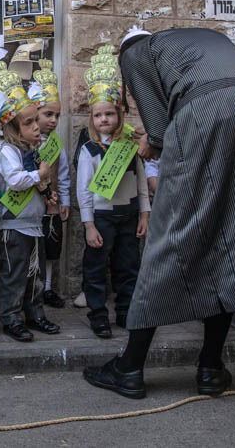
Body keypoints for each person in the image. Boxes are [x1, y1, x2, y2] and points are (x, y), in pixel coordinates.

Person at [84, 27, 235, 400]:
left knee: (170, 237)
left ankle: (129, 367)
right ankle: (211, 368)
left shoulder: (136, 51)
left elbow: (159, 128)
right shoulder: (194, 40)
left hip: (209, 114)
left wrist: (152, 144)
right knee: (233, 232)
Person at [75, 47, 149, 339]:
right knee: (95, 268)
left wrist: (145, 213)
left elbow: (141, 182)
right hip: (102, 217)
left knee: (127, 266)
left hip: (128, 215)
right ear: (92, 119)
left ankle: (125, 311)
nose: (103, 119)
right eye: (98, 115)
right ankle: (98, 315)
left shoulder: (131, 147)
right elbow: (83, 190)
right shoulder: (89, 151)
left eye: (109, 114)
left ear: (119, 115)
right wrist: (89, 224)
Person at [0, 60, 60, 342]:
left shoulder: (34, 149)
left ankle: (36, 313)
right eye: (28, 122)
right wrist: (38, 175)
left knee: (36, 273)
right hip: (12, 225)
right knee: (15, 274)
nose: (36, 127)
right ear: (12, 127)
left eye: (35, 121)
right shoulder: (7, 152)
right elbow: (16, 180)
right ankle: (12, 317)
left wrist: (46, 188)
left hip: (34, 223)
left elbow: (36, 181)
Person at [27, 59, 70, 309]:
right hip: (30, 204)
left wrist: (64, 199)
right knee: (33, 248)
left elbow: (62, 173)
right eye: (48, 114)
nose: (53, 120)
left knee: (51, 248)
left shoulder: (56, 144)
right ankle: (31, 286)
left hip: (51, 205)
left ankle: (48, 287)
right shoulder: (25, 143)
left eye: (57, 116)